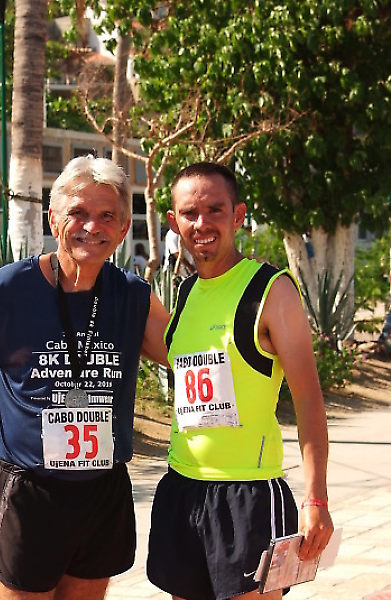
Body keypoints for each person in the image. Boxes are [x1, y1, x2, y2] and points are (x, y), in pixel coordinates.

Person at [0, 155, 170, 600]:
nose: (91, 226)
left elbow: (187, 357)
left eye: (107, 216)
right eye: (78, 212)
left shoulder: (133, 296)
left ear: (122, 230)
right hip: (31, 487)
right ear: (53, 219)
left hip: (103, 489)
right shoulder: (13, 287)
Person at [146, 162, 334, 600]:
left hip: (247, 495)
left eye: (215, 210)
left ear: (238, 215)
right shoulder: (185, 293)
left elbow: (308, 398)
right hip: (182, 487)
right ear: (173, 222)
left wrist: (317, 499)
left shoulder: (271, 290)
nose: (202, 223)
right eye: (190, 213)